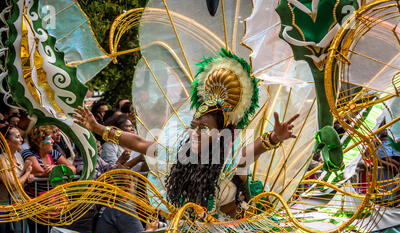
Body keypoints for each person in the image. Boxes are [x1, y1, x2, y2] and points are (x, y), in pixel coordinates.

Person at [74, 50, 298, 221]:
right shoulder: (178, 153)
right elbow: (140, 142)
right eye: (193, 126)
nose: (195, 133)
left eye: (204, 128)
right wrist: (98, 129)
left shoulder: (230, 161)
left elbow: (252, 150)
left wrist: (275, 138)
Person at [21, 125, 76, 233]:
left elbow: (72, 169)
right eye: (49, 138)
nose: (52, 141)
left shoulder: (53, 153)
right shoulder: (29, 154)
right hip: (36, 207)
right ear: (39, 141)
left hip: (53, 206)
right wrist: (57, 171)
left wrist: (58, 169)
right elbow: (42, 172)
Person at [0, 125, 34, 233]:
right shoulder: (1, 160)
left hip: (21, 209)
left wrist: (28, 177)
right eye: (17, 137)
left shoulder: (19, 156)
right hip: (5, 211)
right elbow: (12, 184)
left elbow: (19, 182)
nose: (21, 140)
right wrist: (27, 172)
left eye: (21, 137)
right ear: (6, 141)